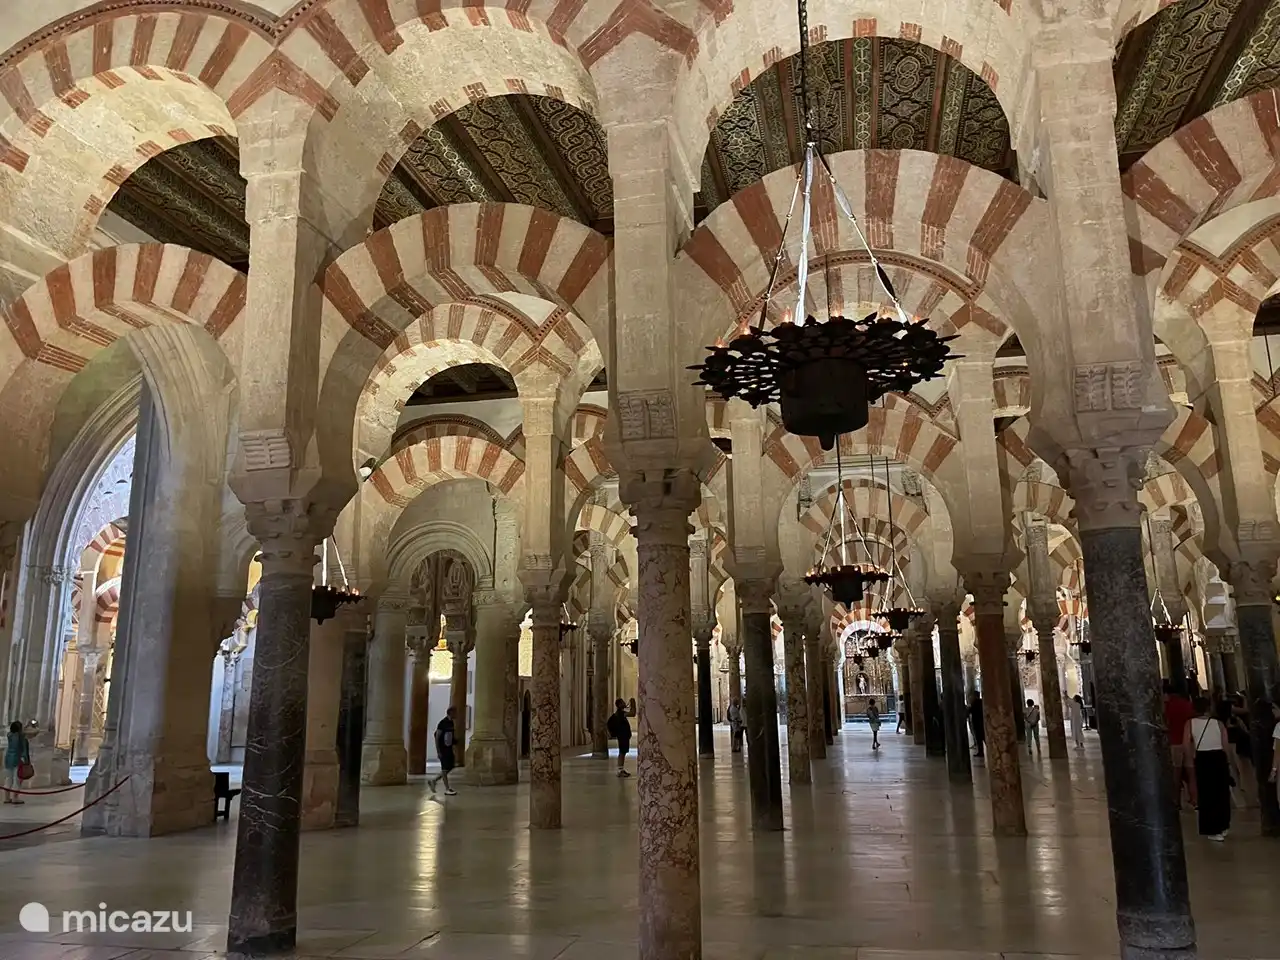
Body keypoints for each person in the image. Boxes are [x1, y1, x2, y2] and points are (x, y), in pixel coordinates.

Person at [1183, 696, 1237, 841]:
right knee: (1221, 792)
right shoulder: (1218, 723)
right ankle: (1224, 824)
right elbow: (1225, 745)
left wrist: (1189, 760)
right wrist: (1228, 762)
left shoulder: (1190, 723)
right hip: (1218, 758)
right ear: (1208, 708)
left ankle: (1212, 828)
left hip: (1203, 758)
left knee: (1207, 793)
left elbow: (1186, 744)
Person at [1163, 680, 1195, 807]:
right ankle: (1194, 799)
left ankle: (1176, 801)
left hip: (1175, 742)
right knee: (1191, 773)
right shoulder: (1187, 704)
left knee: (1176, 774)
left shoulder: (1167, 706)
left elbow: (1166, 724)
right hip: (1188, 742)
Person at [427, 707, 458, 797]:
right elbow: (437, 737)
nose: (456, 714)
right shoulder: (442, 723)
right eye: (455, 712)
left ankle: (434, 781)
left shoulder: (451, 722)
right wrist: (438, 751)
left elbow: (449, 736)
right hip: (443, 749)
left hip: (449, 748)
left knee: (451, 766)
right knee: (444, 769)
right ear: (451, 713)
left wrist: (455, 742)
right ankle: (447, 789)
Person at [3, 721, 30, 804]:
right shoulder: (20, 737)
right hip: (17, 759)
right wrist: (26, 760)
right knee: (17, 779)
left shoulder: (9, 735)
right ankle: (15, 798)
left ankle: (6, 797)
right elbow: (23, 750)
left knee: (8, 778)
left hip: (8, 758)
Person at [606, 698, 632, 778]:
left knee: (623, 752)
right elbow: (633, 713)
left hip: (623, 736)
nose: (624, 703)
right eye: (623, 702)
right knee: (622, 752)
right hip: (622, 736)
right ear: (619, 704)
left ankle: (621, 769)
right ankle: (620, 770)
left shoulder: (620, 713)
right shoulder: (620, 713)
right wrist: (633, 704)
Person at [968, 691, 984, 757]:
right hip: (981, 723)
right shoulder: (981, 702)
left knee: (979, 739)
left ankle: (981, 752)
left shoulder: (975, 703)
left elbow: (970, 711)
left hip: (978, 724)